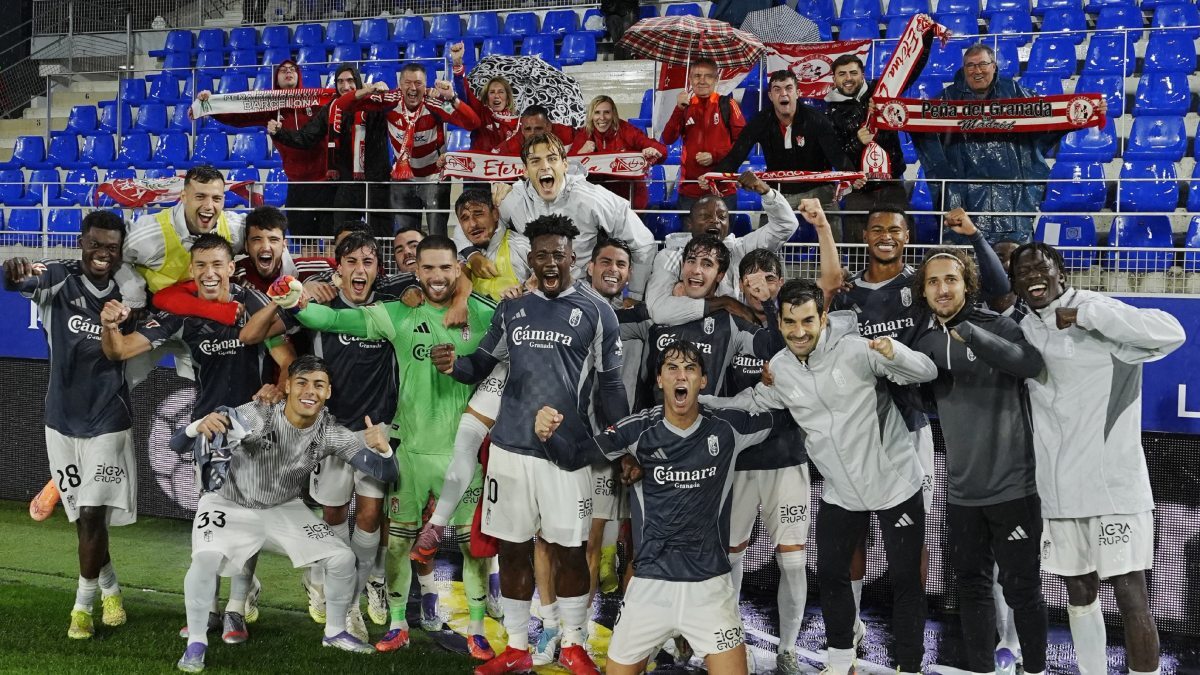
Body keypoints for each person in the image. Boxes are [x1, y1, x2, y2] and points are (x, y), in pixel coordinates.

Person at [701, 278, 937, 675]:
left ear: (823, 318)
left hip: (895, 485)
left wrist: (894, 352)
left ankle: (910, 667)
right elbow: (756, 400)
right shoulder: (780, 368)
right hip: (841, 491)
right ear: (780, 322)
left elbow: (926, 371)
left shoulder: (857, 350)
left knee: (906, 581)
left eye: (808, 321)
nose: (799, 331)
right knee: (831, 575)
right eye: (790, 322)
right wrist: (705, 404)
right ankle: (841, 663)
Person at [430, 215, 628, 675]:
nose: (551, 263)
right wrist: (452, 365)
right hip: (509, 450)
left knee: (571, 551)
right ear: (531, 260)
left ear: (573, 256)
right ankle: (517, 647)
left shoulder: (598, 312)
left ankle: (574, 643)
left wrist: (622, 444)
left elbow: (612, 386)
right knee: (514, 549)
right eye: (542, 255)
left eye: (559, 254)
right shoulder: (512, 309)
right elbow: (480, 364)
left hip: (568, 454)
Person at [288, 235, 500, 660]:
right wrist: (295, 302)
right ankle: (398, 624)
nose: (437, 276)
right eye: (429, 268)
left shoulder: (485, 313)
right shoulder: (397, 312)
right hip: (410, 452)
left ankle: (477, 630)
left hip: (465, 453)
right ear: (415, 271)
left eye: (446, 268)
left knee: (471, 546)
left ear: (458, 270)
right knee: (399, 543)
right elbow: (333, 320)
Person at [534, 340, 783, 675]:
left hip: (710, 589)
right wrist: (548, 436)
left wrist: (783, 381)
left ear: (702, 381)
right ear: (660, 379)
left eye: (690, 369)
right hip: (649, 588)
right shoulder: (637, 429)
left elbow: (786, 420)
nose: (681, 376)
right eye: (672, 368)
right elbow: (573, 456)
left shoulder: (727, 427)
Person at [818, 204, 1009, 631]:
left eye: (895, 229)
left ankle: (911, 627)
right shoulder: (846, 293)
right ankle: (851, 625)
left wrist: (974, 236)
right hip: (857, 431)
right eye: (876, 228)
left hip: (911, 426)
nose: (885, 236)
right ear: (864, 236)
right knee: (854, 531)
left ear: (907, 237)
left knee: (911, 536)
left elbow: (999, 289)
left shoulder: (924, 286)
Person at [1010, 242, 1185, 675]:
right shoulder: (1023, 328)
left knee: (1131, 596)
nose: (1034, 277)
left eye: (1041, 268)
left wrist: (1086, 316)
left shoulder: (1096, 310)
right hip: (1059, 492)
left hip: (1113, 488)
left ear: (1061, 272)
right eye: (1024, 272)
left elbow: (1172, 331)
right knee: (1079, 594)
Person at [171, 355, 399, 671]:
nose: (310, 391)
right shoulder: (257, 415)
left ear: (328, 392)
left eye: (318, 385)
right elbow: (178, 444)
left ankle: (335, 632)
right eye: (302, 383)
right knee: (205, 560)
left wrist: (384, 450)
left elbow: (386, 473)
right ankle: (196, 643)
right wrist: (198, 426)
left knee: (341, 558)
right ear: (288, 386)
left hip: (282, 508)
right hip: (228, 503)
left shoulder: (331, 432)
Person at [910, 247, 1048, 675]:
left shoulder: (1000, 326)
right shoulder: (925, 342)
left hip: (1014, 489)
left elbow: (1030, 364)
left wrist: (969, 333)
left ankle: (1036, 670)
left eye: (950, 279)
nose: (942, 289)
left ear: (967, 285)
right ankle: (982, 670)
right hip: (962, 494)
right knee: (971, 589)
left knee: (1023, 589)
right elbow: (919, 399)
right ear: (924, 292)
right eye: (933, 282)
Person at [3, 212, 133, 640]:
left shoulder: (130, 290)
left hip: (110, 418)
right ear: (81, 242)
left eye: (111, 247)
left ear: (120, 250)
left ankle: (82, 607)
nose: (103, 253)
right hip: (60, 420)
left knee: (92, 513)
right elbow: (20, 281)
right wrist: (12, 272)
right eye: (95, 244)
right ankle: (111, 589)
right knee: (82, 519)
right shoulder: (60, 277)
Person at [720, 249, 812, 675]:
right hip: (736, 462)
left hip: (787, 458)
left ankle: (788, 649)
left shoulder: (796, 325)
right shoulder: (727, 325)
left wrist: (776, 305)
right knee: (730, 557)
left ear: (781, 282)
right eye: (752, 279)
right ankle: (729, 638)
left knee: (792, 562)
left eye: (770, 278)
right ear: (741, 285)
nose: (761, 285)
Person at [913, 44, 1088, 244]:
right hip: (964, 197)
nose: (977, 71)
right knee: (967, 256)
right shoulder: (946, 99)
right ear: (963, 69)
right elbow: (923, 133)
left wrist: (1087, 111)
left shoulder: (1016, 92)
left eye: (982, 64)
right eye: (970, 65)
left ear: (994, 66)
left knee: (1012, 257)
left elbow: (1050, 118)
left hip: (1013, 200)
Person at [492, 132, 657, 301]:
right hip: (536, 293)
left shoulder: (592, 198)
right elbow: (485, 228)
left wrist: (635, 295)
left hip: (583, 297)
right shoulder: (513, 200)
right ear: (525, 170)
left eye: (552, 159)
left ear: (565, 164)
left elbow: (643, 244)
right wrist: (475, 255)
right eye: (535, 161)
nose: (545, 166)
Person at [645, 171, 798, 326]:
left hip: (733, 336)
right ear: (689, 224)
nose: (715, 221)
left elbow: (786, 226)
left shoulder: (740, 249)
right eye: (706, 216)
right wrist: (724, 303)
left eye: (722, 217)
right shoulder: (670, 256)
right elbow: (658, 310)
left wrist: (765, 191)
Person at [197, 60, 331, 236]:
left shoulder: (317, 101)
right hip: (297, 182)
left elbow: (343, 103)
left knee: (329, 237)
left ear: (299, 75)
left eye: (292, 69)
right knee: (304, 238)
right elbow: (239, 115)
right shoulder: (269, 105)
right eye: (283, 70)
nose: (288, 72)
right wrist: (211, 105)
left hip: (325, 180)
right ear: (276, 78)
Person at [711, 70, 855, 225]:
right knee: (765, 237)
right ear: (770, 96)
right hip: (777, 192)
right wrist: (712, 176)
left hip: (818, 191)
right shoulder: (760, 121)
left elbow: (836, 155)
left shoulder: (817, 120)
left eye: (788, 88)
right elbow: (736, 156)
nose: (783, 94)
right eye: (777, 89)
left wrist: (852, 175)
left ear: (798, 93)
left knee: (833, 233)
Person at [646, 235, 783, 396]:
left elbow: (776, 350)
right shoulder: (654, 313)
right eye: (691, 261)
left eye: (707, 264)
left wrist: (767, 303)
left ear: (720, 275)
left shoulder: (731, 322)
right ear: (682, 267)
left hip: (708, 411)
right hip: (655, 412)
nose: (696, 270)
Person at [355, 63, 481, 236]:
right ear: (400, 85)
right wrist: (367, 90)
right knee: (406, 237)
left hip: (434, 179)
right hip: (403, 180)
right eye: (408, 83)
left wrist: (452, 98)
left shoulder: (436, 103)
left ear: (425, 85)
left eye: (418, 83)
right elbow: (347, 106)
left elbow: (473, 123)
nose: (413, 88)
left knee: (437, 235)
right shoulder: (389, 101)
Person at [269, 64, 394, 236]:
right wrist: (280, 133)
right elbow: (306, 137)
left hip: (377, 184)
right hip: (346, 185)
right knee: (342, 237)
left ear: (358, 82)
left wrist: (384, 91)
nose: (345, 86)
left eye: (350, 81)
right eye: (340, 81)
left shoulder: (375, 102)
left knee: (382, 238)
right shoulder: (331, 109)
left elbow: (399, 108)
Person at [825, 52, 927, 243]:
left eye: (853, 73)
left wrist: (925, 40)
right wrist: (857, 142)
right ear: (834, 79)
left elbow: (910, 71)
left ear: (862, 74)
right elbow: (836, 155)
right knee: (856, 244)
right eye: (842, 74)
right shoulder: (829, 112)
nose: (848, 78)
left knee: (904, 239)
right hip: (858, 188)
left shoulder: (881, 91)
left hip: (892, 183)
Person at [117, 165, 246, 310]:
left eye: (216, 198)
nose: (209, 206)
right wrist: (135, 297)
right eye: (200, 197)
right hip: (161, 310)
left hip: (214, 307)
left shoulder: (236, 228)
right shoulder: (149, 233)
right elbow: (115, 258)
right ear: (183, 197)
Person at [661, 57, 746, 212]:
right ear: (690, 79)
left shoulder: (727, 104)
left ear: (716, 79)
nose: (702, 81)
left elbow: (743, 145)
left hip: (723, 189)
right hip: (690, 191)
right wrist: (678, 109)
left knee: (723, 229)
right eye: (697, 76)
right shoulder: (685, 107)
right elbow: (667, 138)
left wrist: (715, 156)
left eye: (708, 76)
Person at [568, 95, 666, 210]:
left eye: (607, 112)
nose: (602, 118)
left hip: (628, 201)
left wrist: (652, 150)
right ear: (591, 115)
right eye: (597, 113)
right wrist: (581, 152)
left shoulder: (627, 130)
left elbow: (661, 150)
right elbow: (567, 166)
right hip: (596, 201)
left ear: (613, 114)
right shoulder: (584, 134)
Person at [453, 188, 530, 301]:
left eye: (478, 214)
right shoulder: (456, 258)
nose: (473, 224)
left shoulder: (522, 247)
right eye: (465, 218)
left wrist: (524, 290)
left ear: (495, 214)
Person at [449, 41, 519, 152]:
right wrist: (457, 62)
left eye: (501, 92)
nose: (496, 96)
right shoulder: (480, 111)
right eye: (492, 92)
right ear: (486, 97)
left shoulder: (517, 122)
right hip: (478, 162)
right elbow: (464, 91)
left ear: (508, 98)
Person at [493, 104, 577, 157]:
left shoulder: (565, 133)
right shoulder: (509, 148)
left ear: (549, 126)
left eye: (538, 128)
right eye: (528, 129)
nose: (533, 133)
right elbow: (492, 158)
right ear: (522, 129)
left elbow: (583, 135)